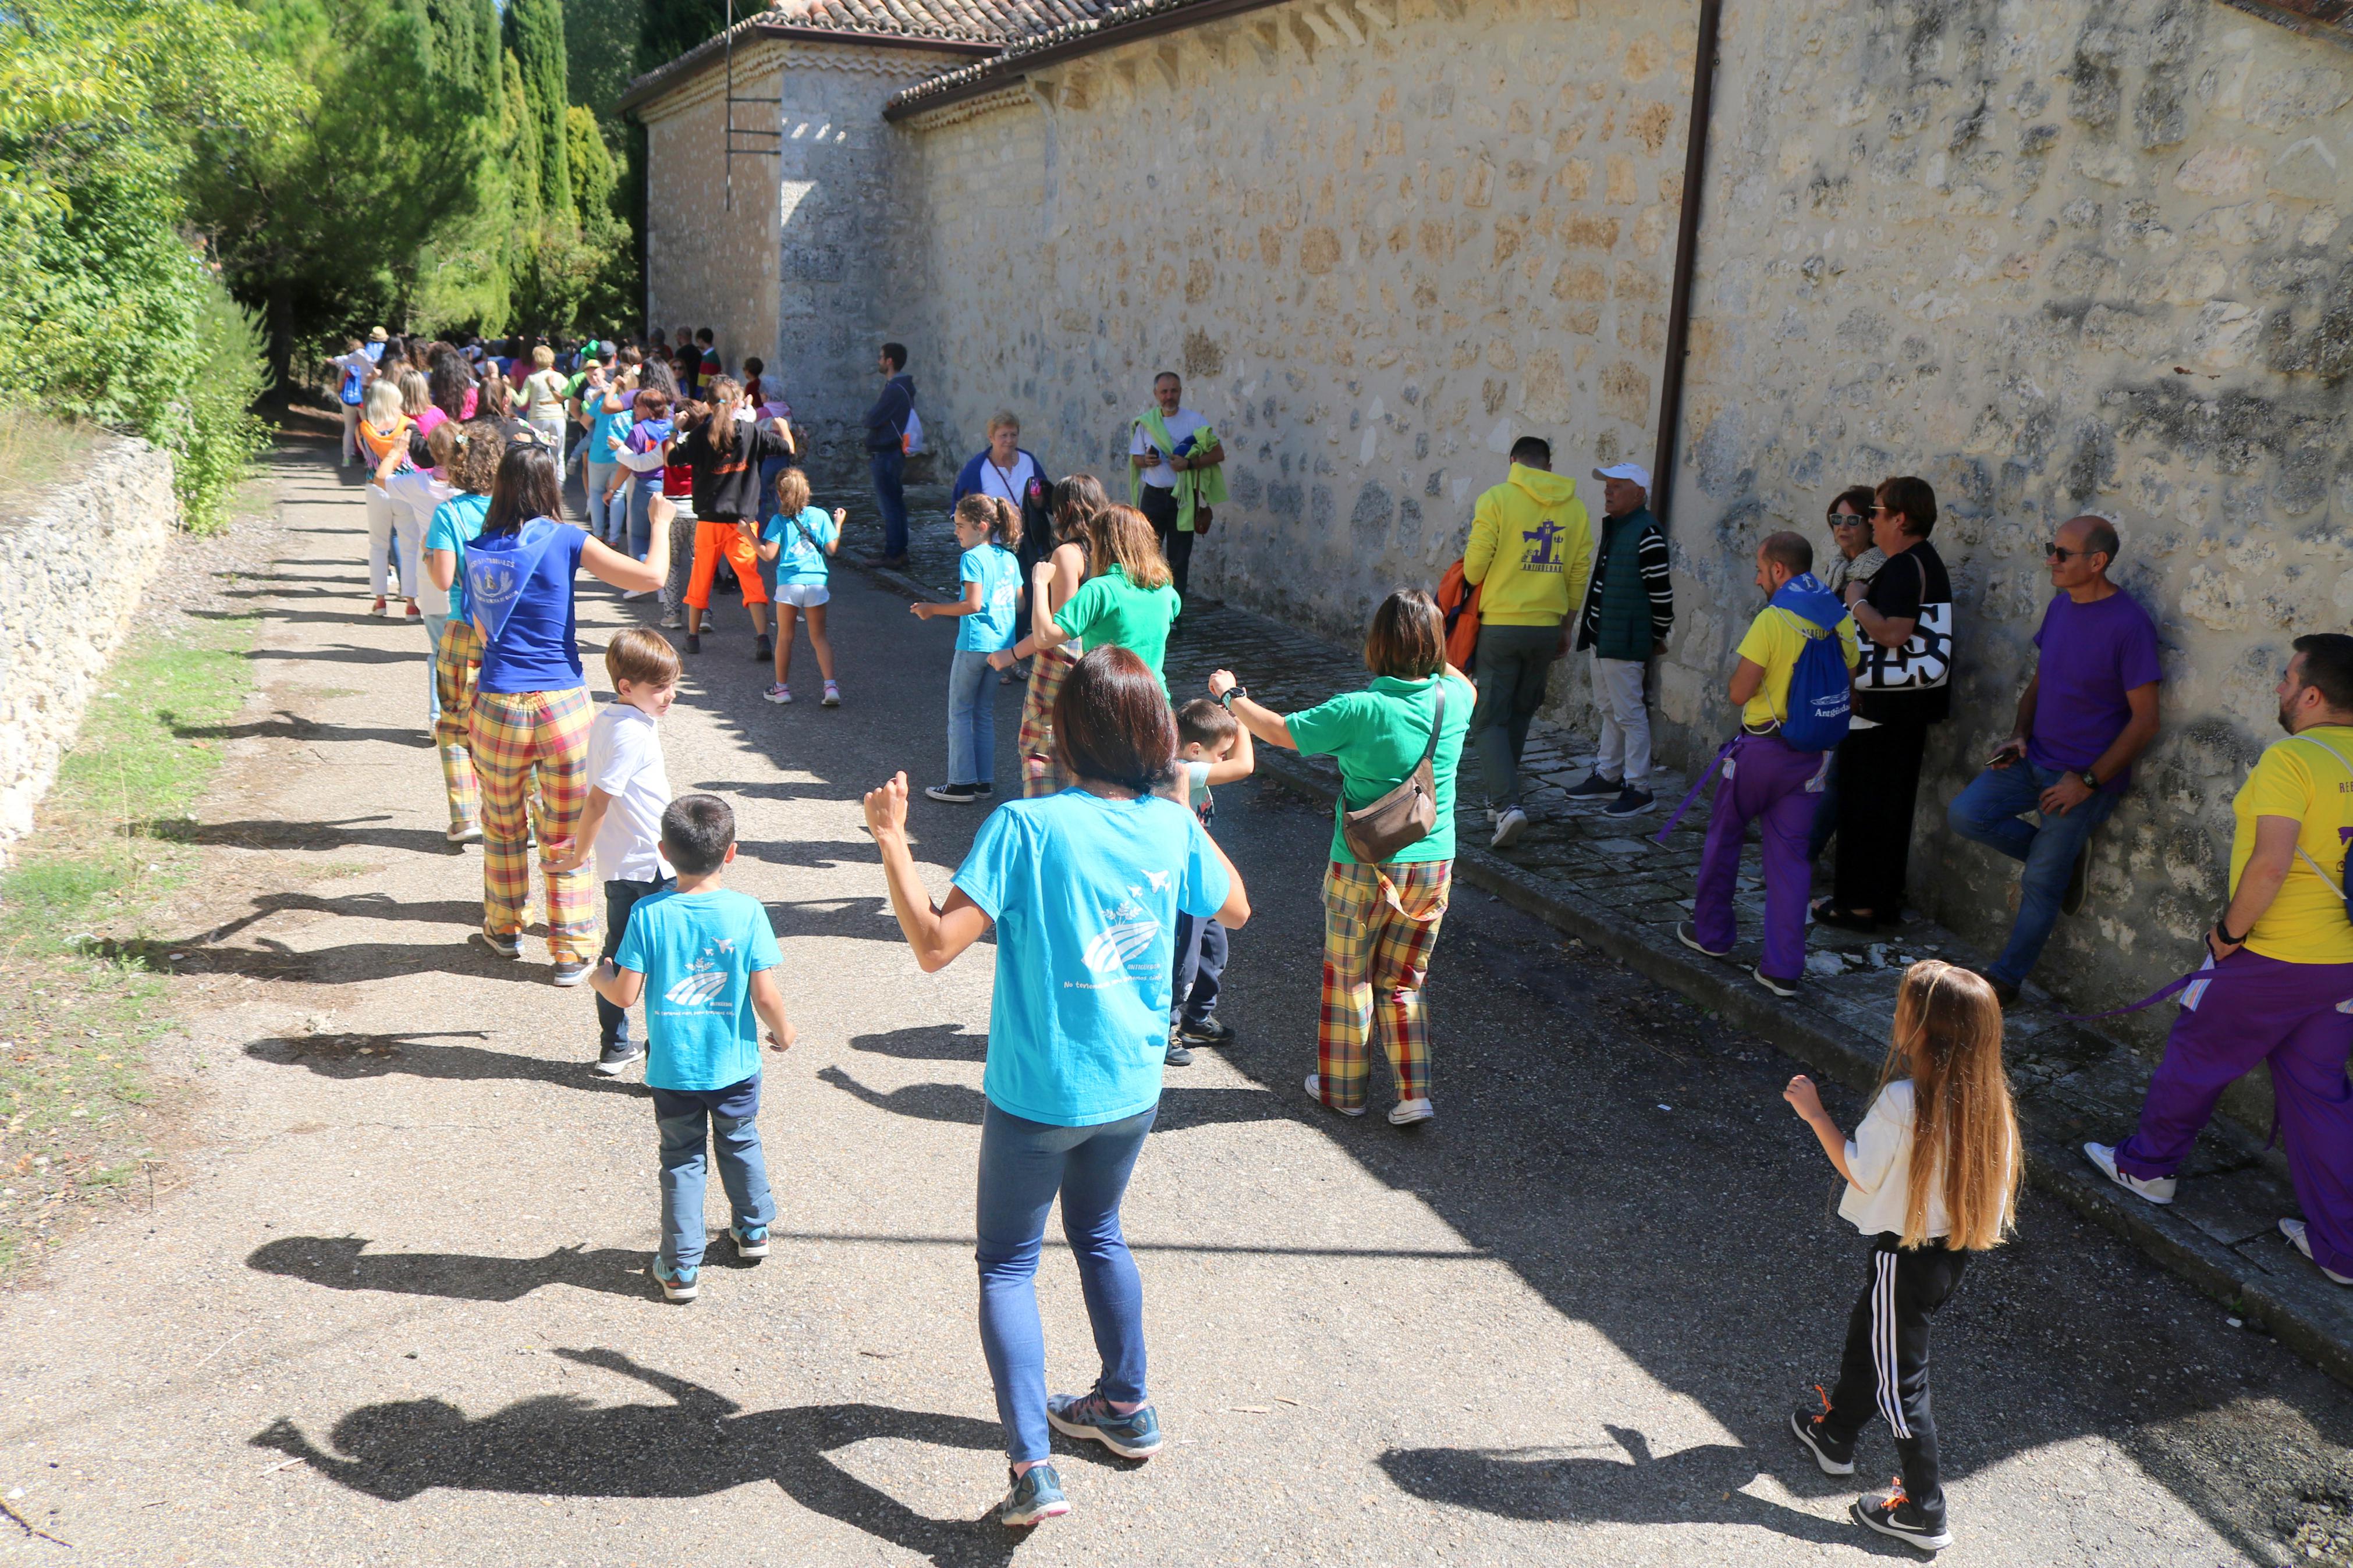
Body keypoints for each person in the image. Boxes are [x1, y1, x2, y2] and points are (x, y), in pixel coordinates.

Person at [861, 646, 1250, 1529]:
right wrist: (1182, 815)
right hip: (1130, 1083)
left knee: (1008, 1261)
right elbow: (1234, 907)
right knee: (1100, 1229)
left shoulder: (1024, 828)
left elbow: (931, 944)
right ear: (1155, 733)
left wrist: (892, 837)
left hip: (1039, 1089)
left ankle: (1033, 1467)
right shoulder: (1166, 822)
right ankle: (1126, 1403)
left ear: (1065, 733)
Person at [2085, 634, 2353, 1290]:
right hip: (2343, 963)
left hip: (2270, 954)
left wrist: (2227, 934)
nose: (2278, 689)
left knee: (2195, 1055)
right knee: (2319, 1095)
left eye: (2287, 679)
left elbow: (2269, 864)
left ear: (2312, 694)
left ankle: (2146, 1167)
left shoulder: (2292, 758)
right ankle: (2341, 1246)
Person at [1784, 961, 2020, 1556]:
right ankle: (1834, 1436)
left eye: (1902, 1010)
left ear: (1920, 1030)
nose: (1896, 1018)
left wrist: (1814, 1113)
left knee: (1900, 1384)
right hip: (1950, 1253)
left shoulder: (1901, 1100)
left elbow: (1859, 1171)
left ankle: (1923, 1507)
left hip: (1903, 1255)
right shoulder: (1990, 1103)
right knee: (1870, 1334)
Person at [1215, 590, 1473, 1125]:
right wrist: (1429, 637)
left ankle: (1343, 1090)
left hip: (1362, 862)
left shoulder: (1359, 710)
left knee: (1349, 974)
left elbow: (1277, 730)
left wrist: (1230, 696)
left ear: (1378, 644)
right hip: (1432, 863)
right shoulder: (1456, 699)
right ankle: (1413, 1093)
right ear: (1433, 645)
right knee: (1404, 979)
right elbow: (1461, 678)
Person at [463, 445, 673, 984]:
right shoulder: (567, 539)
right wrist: (662, 522)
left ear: (502, 486)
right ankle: (571, 950)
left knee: (502, 820)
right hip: (561, 703)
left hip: (498, 702)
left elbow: (484, 636)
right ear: (550, 485)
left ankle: (505, 927)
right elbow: (649, 577)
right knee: (567, 824)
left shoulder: (479, 550)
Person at [588, 794, 796, 1303]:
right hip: (735, 1063)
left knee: (681, 1158)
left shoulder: (647, 912)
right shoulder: (747, 911)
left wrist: (599, 975)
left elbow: (625, 994)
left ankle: (681, 1268)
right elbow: (764, 994)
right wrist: (785, 1032)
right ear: (732, 852)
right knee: (740, 1139)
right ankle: (752, 1232)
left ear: (663, 850)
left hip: (673, 1068)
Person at [1947, 516, 2162, 1004]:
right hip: (2032, 758)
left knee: (2040, 881)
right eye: (2051, 548)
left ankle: (2005, 979)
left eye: (2062, 553)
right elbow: (2041, 683)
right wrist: (2018, 735)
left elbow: (2145, 721)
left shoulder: (2129, 625)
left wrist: (2087, 781)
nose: (2050, 559)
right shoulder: (2061, 607)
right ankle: (2062, 858)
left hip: (2080, 777)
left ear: (2097, 562)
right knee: (1965, 814)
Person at [1677, 533, 1859, 998]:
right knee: (1792, 860)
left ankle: (1712, 934)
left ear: (1779, 569)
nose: (1757, 578)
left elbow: (1740, 692)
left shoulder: (1773, 619)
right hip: (1813, 757)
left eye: (1760, 570)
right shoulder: (1840, 618)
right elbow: (1850, 682)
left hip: (1761, 750)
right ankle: (1782, 968)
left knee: (1724, 837)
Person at [1813, 475, 1953, 931]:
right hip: (1909, 706)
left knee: (1863, 807)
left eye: (1876, 510)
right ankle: (1881, 901)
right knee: (1889, 808)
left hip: (1881, 708)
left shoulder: (1900, 566)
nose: (1871, 519)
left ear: (1900, 517)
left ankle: (1855, 905)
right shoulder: (1924, 562)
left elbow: (1893, 632)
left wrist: (1855, 603)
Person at [546, 628, 680, 1078]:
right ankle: (660, 1062)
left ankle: (615, 1047)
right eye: (659, 688)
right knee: (661, 967)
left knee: (618, 957)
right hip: (652, 865)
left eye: (672, 684)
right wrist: (577, 853)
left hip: (624, 864)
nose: (670, 696)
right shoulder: (633, 734)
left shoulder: (611, 720)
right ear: (627, 687)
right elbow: (600, 799)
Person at [1463, 436, 1592, 850]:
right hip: (1546, 626)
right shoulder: (1575, 508)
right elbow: (1577, 575)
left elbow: (1473, 566)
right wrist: (1566, 626)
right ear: (1549, 465)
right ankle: (1497, 797)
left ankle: (1506, 805)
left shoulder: (1497, 498)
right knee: (1519, 713)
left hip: (1501, 624)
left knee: (1486, 719)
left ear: (1513, 461)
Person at [1566, 461, 1672, 819]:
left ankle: (1639, 787)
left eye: (1617, 486)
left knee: (1630, 715)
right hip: (1604, 636)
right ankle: (1609, 774)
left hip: (1625, 639)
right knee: (1609, 708)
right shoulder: (1620, 527)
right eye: (1607, 485)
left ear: (1639, 494)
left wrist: (1654, 636)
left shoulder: (1647, 533)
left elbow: (1662, 597)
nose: (1608, 491)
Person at [993, 504, 1179, 698]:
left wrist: (1039, 583)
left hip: (1110, 700)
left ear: (1104, 543)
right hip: (1156, 698)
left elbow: (1045, 638)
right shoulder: (1166, 589)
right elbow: (1171, 613)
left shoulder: (1099, 590)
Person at [421, 422, 503, 846]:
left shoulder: (448, 514)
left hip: (462, 629)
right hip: (509, 633)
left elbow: (442, 579)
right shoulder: (514, 511)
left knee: (455, 724)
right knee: (511, 722)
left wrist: (425, 551)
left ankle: (464, 814)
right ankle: (517, 815)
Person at [1163, 694, 1256, 1066]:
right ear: (1196, 749)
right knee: (1182, 957)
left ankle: (1197, 1019)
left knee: (1214, 949)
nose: (1223, 762)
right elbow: (1245, 766)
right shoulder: (1183, 769)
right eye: (1221, 754)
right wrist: (1243, 718)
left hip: (1202, 871)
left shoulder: (1192, 761)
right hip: (1187, 880)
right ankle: (1163, 1029)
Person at [1000, 475, 1105, 798]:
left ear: (1067, 509)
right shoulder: (1105, 549)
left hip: (1063, 659)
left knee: (1040, 744)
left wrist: (1012, 653)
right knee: (1083, 745)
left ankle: (1043, 819)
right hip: (1099, 653)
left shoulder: (1067, 554)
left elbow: (1060, 630)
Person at [674, 376, 794, 659]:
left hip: (709, 519)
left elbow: (673, 459)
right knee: (749, 577)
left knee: (701, 575)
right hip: (743, 521)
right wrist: (785, 428)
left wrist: (673, 431)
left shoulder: (701, 434)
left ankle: (692, 637)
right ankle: (763, 638)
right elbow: (787, 449)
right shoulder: (750, 432)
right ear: (738, 402)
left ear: (708, 404)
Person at [914, 496, 1023, 803]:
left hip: (974, 644)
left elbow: (973, 604)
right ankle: (983, 783)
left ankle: (961, 783)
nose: (956, 532)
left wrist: (932, 609)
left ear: (982, 527)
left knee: (959, 712)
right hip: (1003, 645)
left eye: (961, 526)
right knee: (983, 713)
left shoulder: (972, 558)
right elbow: (1020, 602)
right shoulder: (1009, 558)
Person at [1808, 486, 1884, 862]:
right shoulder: (1837, 568)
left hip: (1858, 686)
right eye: (1836, 519)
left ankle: (1801, 857)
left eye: (1852, 520)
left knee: (1835, 779)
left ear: (1872, 523)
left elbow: (1868, 634)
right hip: (1827, 682)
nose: (1842, 527)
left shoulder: (1880, 569)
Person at [954, 412, 1053, 671]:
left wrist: (1039, 501)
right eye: (1003, 436)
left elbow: (1045, 494)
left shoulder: (1028, 461)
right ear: (991, 438)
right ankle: (990, 654)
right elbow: (964, 504)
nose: (1009, 441)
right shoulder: (979, 468)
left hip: (1025, 541)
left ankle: (1013, 654)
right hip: (994, 544)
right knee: (995, 599)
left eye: (1013, 435)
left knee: (1024, 598)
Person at [380, 422, 459, 723]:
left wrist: (398, 450)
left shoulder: (417, 483)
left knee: (439, 649)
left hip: (431, 572)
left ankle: (437, 716)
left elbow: (380, 479)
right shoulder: (475, 486)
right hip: (468, 574)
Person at [1127, 372, 1225, 607]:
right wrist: (1146, 462)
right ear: (1156, 394)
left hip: (1183, 499)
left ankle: (1175, 616)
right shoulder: (1146, 422)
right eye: (1164, 392)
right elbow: (1136, 458)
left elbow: (1219, 453)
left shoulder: (1195, 421)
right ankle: (1145, 610)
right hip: (1153, 497)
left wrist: (1189, 464)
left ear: (1181, 392)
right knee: (1145, 556)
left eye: (1174, 391)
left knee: (1179, 561)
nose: (1169, 396)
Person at [755, 469, 844, 708]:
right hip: (816, 582)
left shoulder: (778, 521)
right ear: (806, 491)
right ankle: (830, 686)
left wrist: (748, 536)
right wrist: (838, 523)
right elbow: (832, 549)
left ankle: (781, 689)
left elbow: (767, 555)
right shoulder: (820, 515)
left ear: (781, 495)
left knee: (785, 637)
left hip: (789, 584)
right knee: (819, 637)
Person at [356, 379, 418, 620]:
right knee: (410, 545)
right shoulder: (407, 425)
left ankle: (380, 601)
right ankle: (411, 604)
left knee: (378, 545)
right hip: (404, 486)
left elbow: (364, 453)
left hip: (375, 486)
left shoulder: (364, 427)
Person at [864, 342, 916, 567]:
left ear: (890, 361)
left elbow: (872, 419)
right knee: (895, 504)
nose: (879, 361)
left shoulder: (895, 389)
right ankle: (897, 551)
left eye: (881, 357)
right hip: (891, 453)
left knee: (890, 506)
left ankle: (894, 553)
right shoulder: (899, 387)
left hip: (887, 453)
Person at [520, 346, 571, 478]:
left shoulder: (531, 378)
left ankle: (541, 482)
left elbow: (521, 401)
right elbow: (569, 394)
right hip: (557, 417)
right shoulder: (559, 377)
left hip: (538, 417)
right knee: (559, 454)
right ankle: (560, 485)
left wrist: (509, 388)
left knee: (537, 453)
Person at [326, 339, 373, 465]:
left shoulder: (344, 367)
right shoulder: (366, 363)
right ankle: (369, 459)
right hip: (363, 398)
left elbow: (340, 386)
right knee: (368, 429)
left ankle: (346, 459)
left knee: (349, 429)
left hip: (348, 399)